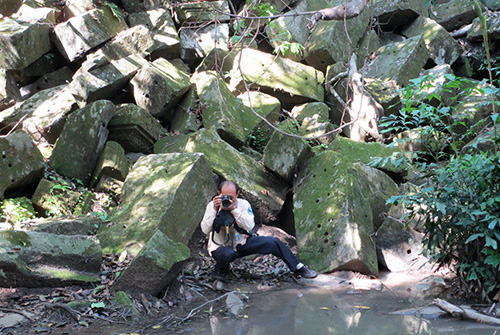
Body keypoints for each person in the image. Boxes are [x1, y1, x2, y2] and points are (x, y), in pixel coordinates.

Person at [200, 180, 318, 280]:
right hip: (220, 246)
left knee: (273, 242)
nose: (228, 200)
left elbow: (249, 226)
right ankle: (221, 271)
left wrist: (234, 210)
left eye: (232, 197)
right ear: (219, 194)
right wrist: (215, 210)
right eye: (225, 196)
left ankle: (298, 267)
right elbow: (205, 229)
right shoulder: (212, 206)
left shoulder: (243, 204)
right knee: (226, 253)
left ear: (238, 194)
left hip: (241, 243)